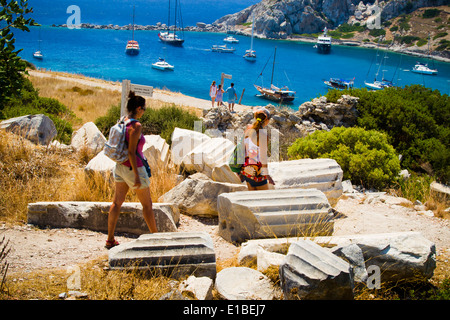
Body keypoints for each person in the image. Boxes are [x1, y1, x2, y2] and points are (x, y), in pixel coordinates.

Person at [106, 91, 158, 249]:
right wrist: (136, 175)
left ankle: (110, 240)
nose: (144, 112)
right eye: (144, 109)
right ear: (139, 109)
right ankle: (157, 239)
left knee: (116, 202)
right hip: (132, 167)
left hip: (120, 167)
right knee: (147, 205)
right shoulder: (136, 126)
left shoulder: (123, 121)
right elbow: (131, 151)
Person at [239, 107, 275, 190]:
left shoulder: (248, 129)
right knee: (263, 200)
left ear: (255, 118)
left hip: (246, 169)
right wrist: (267, 174)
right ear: (267, 120)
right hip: (258, 172)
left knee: (252, 198)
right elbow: (263, 157)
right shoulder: (263, 135)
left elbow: (242, 148)